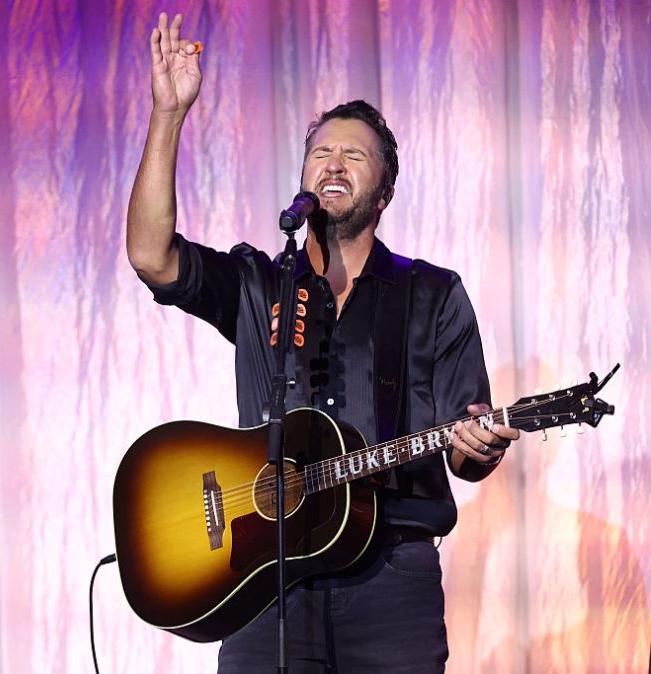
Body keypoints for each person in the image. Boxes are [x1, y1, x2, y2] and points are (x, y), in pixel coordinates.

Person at [125, 11, 521, 674]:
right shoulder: (259, 281)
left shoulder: (433, 294)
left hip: (391, 582)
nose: (333, 163)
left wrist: (478, 445)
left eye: (354, 156)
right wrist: (168, 113)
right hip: (265, 575)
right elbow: (150, 255)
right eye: (320, 154)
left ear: (384, 190)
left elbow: (465, 450)